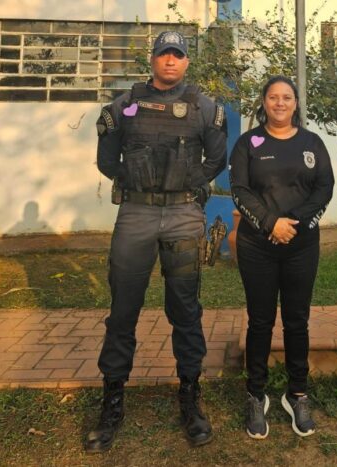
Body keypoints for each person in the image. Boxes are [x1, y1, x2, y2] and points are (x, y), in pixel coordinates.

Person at [86, 31, 227, 452]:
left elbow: (217, 159)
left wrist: (186, 183)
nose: (171, 61)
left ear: (186, 63)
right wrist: (138, 185)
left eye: (178, 55)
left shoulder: (205, 108)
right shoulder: (123, 106)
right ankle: (112, 401)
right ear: (153, 60)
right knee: (123, 308)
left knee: (185, 307)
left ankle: (190, 396)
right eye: (164, 54)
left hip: (184, 216)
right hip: (136, 214)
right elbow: (107, 160)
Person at [229, 76, 335, 440]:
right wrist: (272, 223)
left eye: (286, 97)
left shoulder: (312, 142)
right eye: (273, 97)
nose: (279, 103)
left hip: (301, 245)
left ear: (295, 104)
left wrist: (297, 224)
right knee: (260, 322)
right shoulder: (248, 143)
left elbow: (325, 188)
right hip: (257, 245)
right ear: (263, 102)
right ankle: (256, 395)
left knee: (297, 321)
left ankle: (297, 394)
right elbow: (239, 190)